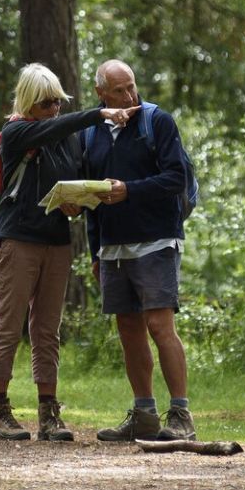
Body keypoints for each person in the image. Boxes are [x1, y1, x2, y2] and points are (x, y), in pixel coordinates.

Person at [0, 63, 136, 441]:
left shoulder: (68, 138)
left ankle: (48, 413)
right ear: (29, 103)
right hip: (17, 240)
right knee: (8, 327)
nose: (53, 110)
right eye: (45, 103)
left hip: (56, 241)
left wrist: (80, 203)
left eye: (57, 102)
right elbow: (54, 128)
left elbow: (77, 177)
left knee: (47, 330)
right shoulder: (15, 132)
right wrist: (99, 113)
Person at [84, 59, 197, 442]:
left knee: (159, 325)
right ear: (101, 93)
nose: (129, 96)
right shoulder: (92, 134)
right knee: (129, 329)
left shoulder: (157, 122)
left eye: (132, 87)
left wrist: (129, 189)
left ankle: (181, 415)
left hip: (157, 239)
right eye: (119, 91)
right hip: (113, 246)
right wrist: (95, 251)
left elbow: (175, 177)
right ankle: (144, 415)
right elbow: (93, 195)